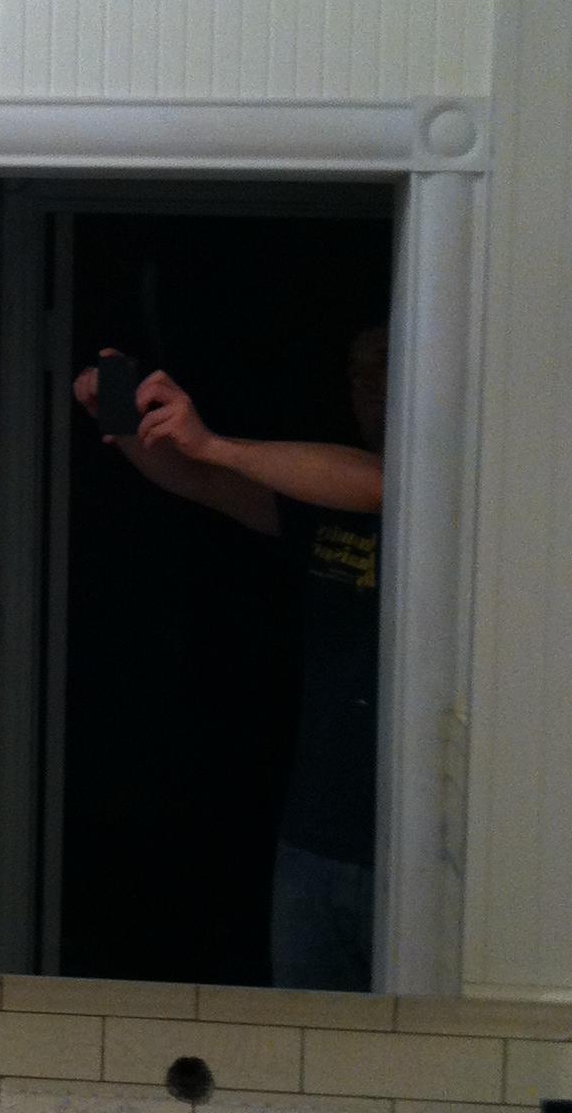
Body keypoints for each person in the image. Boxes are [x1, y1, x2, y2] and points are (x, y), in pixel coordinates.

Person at [73, 327, 387, 992]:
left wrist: (213, 442)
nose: (371, 386)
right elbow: (198, 480)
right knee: (304, 1040)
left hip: (409, 848)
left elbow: (382, 484)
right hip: (316, 835)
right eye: (359, 372)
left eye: (387, 365)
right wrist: (124, 420)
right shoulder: (321, 503)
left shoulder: (444, 490)